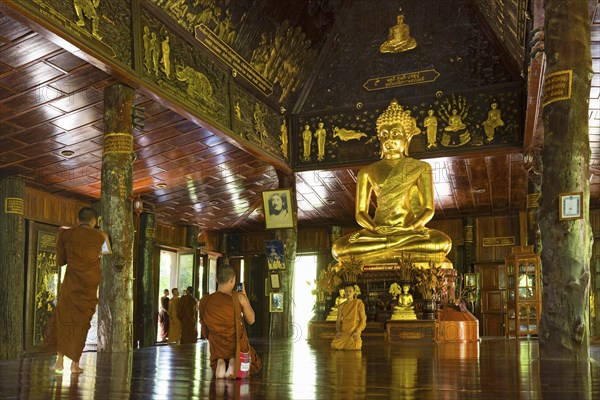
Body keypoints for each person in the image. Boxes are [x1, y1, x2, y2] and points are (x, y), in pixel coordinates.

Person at [331, 99, 452, 267]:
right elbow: (360, 213)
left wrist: (409, 229)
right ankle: (390, 248)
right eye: (384, 135)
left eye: (396, 133)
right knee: (339, 248)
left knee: (442, 242)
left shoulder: (421, 168)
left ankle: (386, 249)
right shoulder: (366, 172)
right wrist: (375, 229)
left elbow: (428, 209)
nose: (389, 139)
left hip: (408, 232)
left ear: (407, 137)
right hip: (377, 232)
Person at [43, 207, 111, 374]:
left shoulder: (66, 234)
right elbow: (107, 252)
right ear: (94, 221)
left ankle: (59, 363)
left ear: (78, 219)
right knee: (81, 324)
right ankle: (75, 364)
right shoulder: (101, 235)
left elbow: (60, 261)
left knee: (63, 321)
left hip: (71, 285)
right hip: (88, 286)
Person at [199, 265, 261, 379]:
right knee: (255, 362)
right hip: (236, 343)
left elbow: (203, 326)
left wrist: (213, 336)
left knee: (220, 352)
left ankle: (221, 361)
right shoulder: (239, 297)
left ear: (217, 280)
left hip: (217, 345)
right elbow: (251, 320)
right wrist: (245, 298)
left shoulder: (204, 300)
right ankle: (233, 361)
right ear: (233, 280)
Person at [331, 283, 367, 350]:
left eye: (350, 291)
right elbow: (338, 321)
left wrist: (357, 331)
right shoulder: (341, 306)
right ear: (344, 292)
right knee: (334, 345)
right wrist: (338, 331)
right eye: (346, 291)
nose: (348, 293)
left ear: (354, 292)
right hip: (344, 332)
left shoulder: (359, 303)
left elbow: (363, 320)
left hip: (354, 332)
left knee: (355, 346)